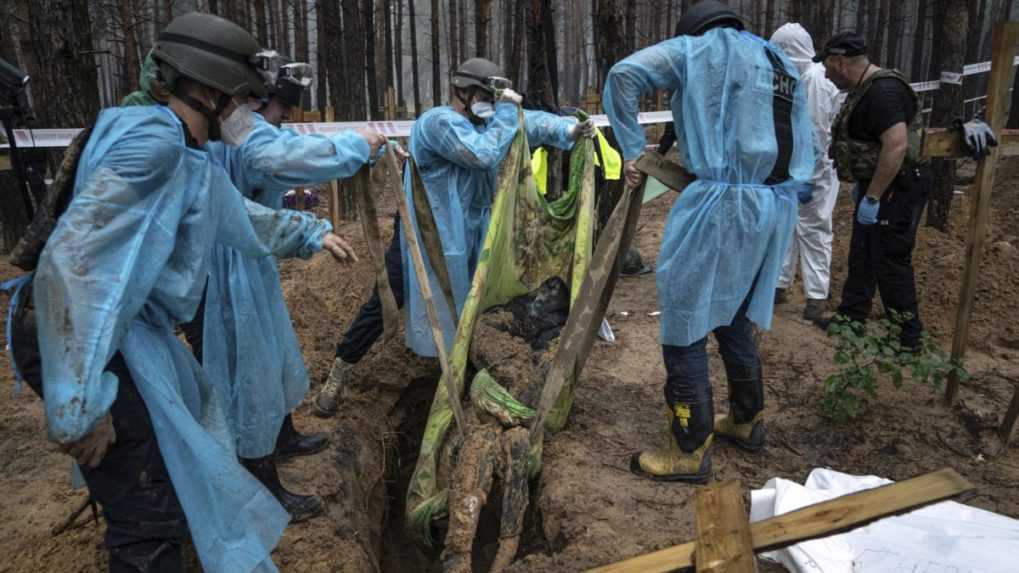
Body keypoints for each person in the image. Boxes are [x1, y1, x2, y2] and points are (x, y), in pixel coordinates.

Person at [6, 13, 330, 572]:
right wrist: (80, 405)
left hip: (108, 335)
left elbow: (241, 218)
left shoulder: (182, 153)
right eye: (239, 100)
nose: (245, 114)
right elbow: (77, 268)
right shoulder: (152, 143)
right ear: (206, 89)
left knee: (169, 476)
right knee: (145, 515)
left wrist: (309, 232)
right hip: (80, 337)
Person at [170, 53, 388, 521]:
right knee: (240, 371)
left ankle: (280, 436)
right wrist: (356, 149)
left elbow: (285, 147)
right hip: (213, 273)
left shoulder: (240, 132)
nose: (284, 120)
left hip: (247, 258)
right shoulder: (233, 141)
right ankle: (257, 476)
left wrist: (363, 147)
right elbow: (280, 159)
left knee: (267, 354)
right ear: (249, 103)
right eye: (278, 110)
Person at [603, 1, 814, 483]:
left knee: (684, 315)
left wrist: (634, 150)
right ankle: (746, 419)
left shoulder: (698, 50)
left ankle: (689, 447)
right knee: (735, 314)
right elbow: (802, 140)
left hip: (717, 204)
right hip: (770, 204)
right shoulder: (778, 62)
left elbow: (623, 74)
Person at [314, 57, 594, 416]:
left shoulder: (490, 122)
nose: (491, 105)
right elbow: (482, 154)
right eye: (484, 95)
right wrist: (508, 112)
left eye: (494, 99)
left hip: (472, 232)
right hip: (425, 232)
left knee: (475, 300)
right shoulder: (437, 123)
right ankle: (342, 367)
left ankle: (465, 369)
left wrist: (567, 130)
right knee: (390, 296)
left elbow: (530, 125)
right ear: (462, 91)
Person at [813, 31, 931, 350]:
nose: (824, 73)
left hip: (898, 188)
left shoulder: (884, 92)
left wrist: (875, 196)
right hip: (879, 186)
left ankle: (907, 339)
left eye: (827, 65)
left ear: (840, 62)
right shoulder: (864, 89)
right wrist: (868, 189)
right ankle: (851, 319)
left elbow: (896, 146)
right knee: (863, 253)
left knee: (890, 260)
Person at [770, 23, 843, 322]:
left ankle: (815, 297)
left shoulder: (814, 79)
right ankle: (779, 284)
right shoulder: (800, 78)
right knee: (787, 228)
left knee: (814, 232)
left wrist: (807, 178)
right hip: (797, 170)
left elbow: (816, 135)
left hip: (817, 173)